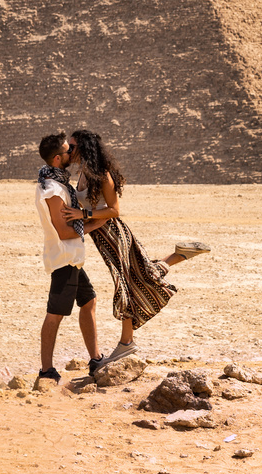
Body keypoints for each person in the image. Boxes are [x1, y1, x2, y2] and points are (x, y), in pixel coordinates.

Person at [68, 128, 209, 368]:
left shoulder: (101, 174)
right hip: (102, 237)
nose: (68, 150)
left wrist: (83, 216)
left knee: (126, 284)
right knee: (141, 274)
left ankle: (127, 342)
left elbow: (113, 211)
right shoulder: (82, 173)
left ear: (84, 148)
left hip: (114, 235)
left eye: (72, 147)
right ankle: (177, 255)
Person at [33, 132, 101, 385]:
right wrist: (98, 222)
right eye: (68, 150)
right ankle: (46, 371)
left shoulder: (59, 183)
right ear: (58, 158)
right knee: (55, 314)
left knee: (89, 300)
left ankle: (95, 359)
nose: (73, 153)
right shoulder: (52, 190)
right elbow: (63, 230)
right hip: (64, 258)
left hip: (72, 258)